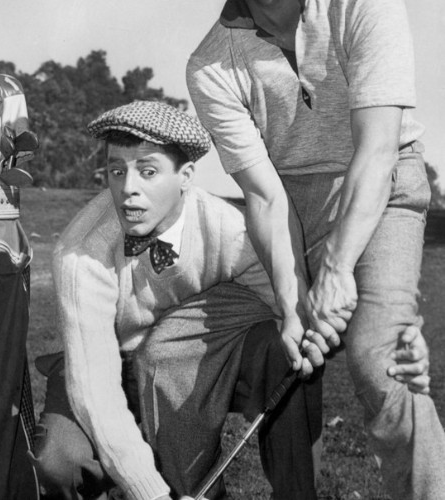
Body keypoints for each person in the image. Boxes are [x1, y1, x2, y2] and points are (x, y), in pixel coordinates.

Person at [186, 0, 445, 498]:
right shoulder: (209, 64)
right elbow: (264, 195)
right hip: (288, 205)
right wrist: (292, 301)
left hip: (383, 183)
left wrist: (337, 268)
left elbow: (378, 148)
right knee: (281, 346)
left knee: (381, 360)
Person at [31, 100, 325, 500]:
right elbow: (97, 396)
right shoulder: (80, 252)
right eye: (116, 171)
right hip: (104, 367)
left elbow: (285, 307)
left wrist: (304, 325)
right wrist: (152, 494)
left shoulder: (229, 230)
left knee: (283, 346)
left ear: (186, 176)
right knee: (56, 461)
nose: (127, 187)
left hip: (195, 367)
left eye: (147, 171)